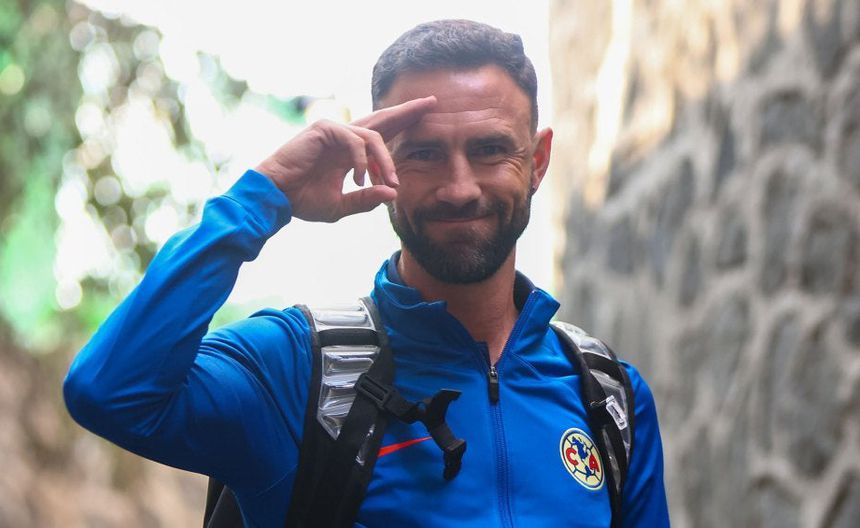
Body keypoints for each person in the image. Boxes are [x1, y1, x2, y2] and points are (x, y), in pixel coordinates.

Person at [64, 19, 669, 527]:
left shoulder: (609, 399)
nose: (460, 187)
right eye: (424, 154)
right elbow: (109, 391)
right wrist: (263, 197)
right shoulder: (297, 370)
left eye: (489, 150)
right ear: (379, 162)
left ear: (536, 161)